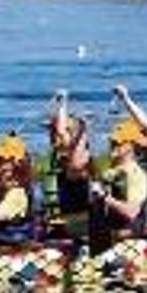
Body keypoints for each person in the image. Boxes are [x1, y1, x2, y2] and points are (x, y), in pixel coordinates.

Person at [42, 89, 90, 237]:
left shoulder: (79, 161)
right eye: (51, 131)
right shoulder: (55, 158)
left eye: (53, 131)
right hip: (59, 224)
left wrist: (62, 103)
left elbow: (63, 136)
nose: (52, 135)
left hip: (80, 228)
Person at [90, 118, 147, 237]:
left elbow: (132, 212)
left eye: (117, 143)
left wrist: (104, 197)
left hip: (128, 239)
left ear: (130, 146)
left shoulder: (136, 174)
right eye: (112, 141)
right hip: (105, 234)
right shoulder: (112, 171)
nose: (112, 145)